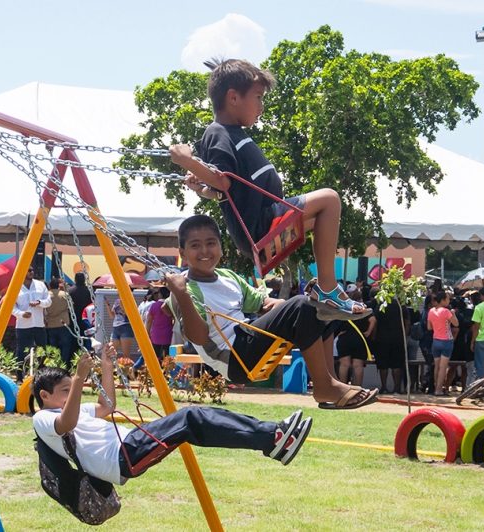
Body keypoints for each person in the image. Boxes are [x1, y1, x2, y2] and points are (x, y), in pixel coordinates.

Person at [169, 59, 368, 319]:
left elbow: (221, 191)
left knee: (325, 216)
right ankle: (327, 288)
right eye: (259, 97)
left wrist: (202, 189)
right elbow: (223, 181)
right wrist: (187, 161)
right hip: (261, 225)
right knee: (329, 199)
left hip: (263, 222)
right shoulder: (218, 132)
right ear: (233, 97)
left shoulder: (235, 134)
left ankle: (325, 296)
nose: (262, 106)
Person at [162, 215, 377, 409]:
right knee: (301, 305)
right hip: (235, 357)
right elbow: (198, 337)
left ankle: (329, 381)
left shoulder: (229, 277)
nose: (205, 251)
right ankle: (323, 385)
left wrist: (283, 305)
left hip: (248, 341)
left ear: (220, 247)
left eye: (211, 243)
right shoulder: (185, 289)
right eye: (195, 245)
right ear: (182, 253)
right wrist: (181, 295)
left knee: (324, 306)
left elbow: (262, 302)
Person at [32, 348, 313, 489]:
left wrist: (107, 367)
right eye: (65, 391)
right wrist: (80, 378)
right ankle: (272, 438)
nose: (72, 395)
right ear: (45, 395)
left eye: (72, 390)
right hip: (122, 456)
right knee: (191, 417)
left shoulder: (72, 408)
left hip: (128, 448)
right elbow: (65, 425)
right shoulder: (43, 418)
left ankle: (274, 438)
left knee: (197, 422)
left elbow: (106, 407)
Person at [13, 267, 50, 378]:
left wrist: (39, 302)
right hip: (23, 325)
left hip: (39, 324)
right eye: (28, 270)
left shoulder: (40, 285)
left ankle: (42, 375)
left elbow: (48, 301)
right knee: (21, 351)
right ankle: (19, 376)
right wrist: (21, 313)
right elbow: (11, 306)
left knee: (41, 350)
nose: (31, 272)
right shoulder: (15, 286)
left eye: (32, 270)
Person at [335, 287, 375, 387]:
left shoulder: (344, 307)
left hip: (344, 338)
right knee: (358, 365)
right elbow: (373, 320)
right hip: (359, 338)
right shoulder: (363, 308)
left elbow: (336, 321)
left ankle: (343, 388)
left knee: (344, 364)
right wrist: (368, 332)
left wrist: (338, 332)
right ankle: (358, 388)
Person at [427, 291, 458, 396]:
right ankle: (439, 390)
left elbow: (429, 327)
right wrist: (453, 313)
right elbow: (456, 323)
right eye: (448, 299)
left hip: (435, 340)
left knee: (437, 366)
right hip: (446, 341)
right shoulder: (446, 311)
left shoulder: (431, 311)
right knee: (443, 367)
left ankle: (436, 387)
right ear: (443, 300)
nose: (449, 301)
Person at [45, 278, 76, 368]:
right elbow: (71, 307)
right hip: (63, 323)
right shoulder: (64, 294)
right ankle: (64, 364)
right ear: (58, 286)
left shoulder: (46, 295)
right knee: (65, 346)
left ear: (50, 286)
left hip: (50, 324)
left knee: (53, 346)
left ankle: (53, 365)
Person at [143, 287, 175, 370]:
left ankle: (156, 372)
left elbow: (149, 320)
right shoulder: (170, 305)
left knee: (156, 355)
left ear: (160, 294)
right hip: (168, 333)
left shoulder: (154, 305)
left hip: (156, 334)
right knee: (168, 355)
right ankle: (167, 372)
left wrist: (147, 332)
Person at [107, 295, 136, 364]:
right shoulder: (117, 301)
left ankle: (128, 372)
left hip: (126, 327)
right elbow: (112, 316)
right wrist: (108, 306)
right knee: (111, 351)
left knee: (126, 355)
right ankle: (114, 371)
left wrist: (122, 305)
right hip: (116, 327)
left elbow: (129, 314)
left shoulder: (130, 301)